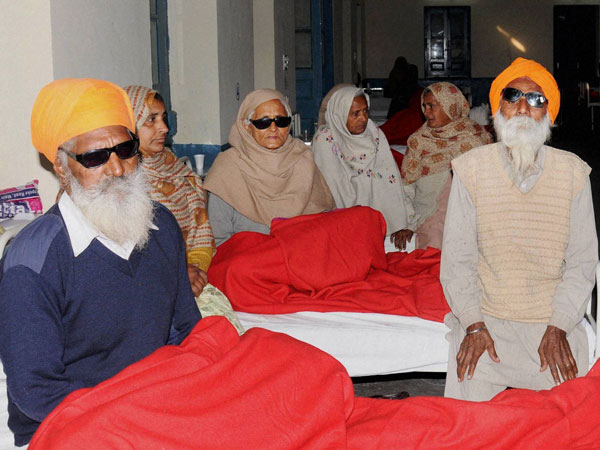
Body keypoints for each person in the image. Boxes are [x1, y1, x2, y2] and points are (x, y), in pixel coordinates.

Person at [0, 78, 201, 445]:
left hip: (156, 401)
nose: (118, 169)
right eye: (95, 158)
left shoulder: (161, 227)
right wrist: (133, 414)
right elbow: (36, 391)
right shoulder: (32, 259)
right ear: (62, 168)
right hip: (71, 419)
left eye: (125, 150)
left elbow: (186, 330)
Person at [441, 58, 599, 401]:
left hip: (552, 323)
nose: (524, 108)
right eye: (513, 96)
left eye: (537, 99)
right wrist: (473, 324)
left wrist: (559, 325)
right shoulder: (470, 170)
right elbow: (457, 261)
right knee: (468, 418)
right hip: (487, 321)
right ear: (498, 109)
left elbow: (582, 264)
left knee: (568, 418)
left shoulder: (573, 173)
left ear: (549, 114)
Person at [204, 89, 334, 246]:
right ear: (246, 126)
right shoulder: (227, 170)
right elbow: (219, 240)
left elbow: (325, 219)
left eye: (281, 121)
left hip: (302, 252)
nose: (273, 128)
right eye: (263, 122)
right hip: (248, 257)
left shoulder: (303, 159)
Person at [124, 85, 214, 296]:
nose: (164, 128)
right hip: (142, 288)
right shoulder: (118, 179)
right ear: (128, 123)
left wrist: (195, 272)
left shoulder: (175, 168)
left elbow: (201, 236)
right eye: (151, 119)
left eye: (163, 118)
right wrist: (179, 275)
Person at [312, 86, 414, 250]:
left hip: (379, 217)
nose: (363, 118)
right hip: (340, 220)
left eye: (365, 111)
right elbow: (334, 190)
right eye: (355, 114)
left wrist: (402, 220)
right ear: (340, 114)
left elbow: (391, 180)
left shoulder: (373, 133)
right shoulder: (326, 140)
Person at [397, 82, 492, 250]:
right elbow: (407, 187)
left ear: (450, 106)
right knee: (434, 249)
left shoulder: (476, 138)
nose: (426, 112)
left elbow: (490, 185)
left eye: (432, 106)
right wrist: (407, 224)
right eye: (424, 106)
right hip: (431, 214)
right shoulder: (418, 141)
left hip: (471, 213)